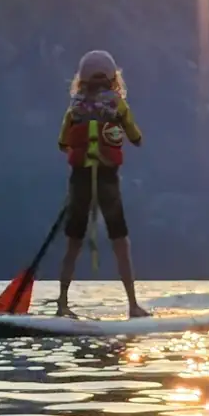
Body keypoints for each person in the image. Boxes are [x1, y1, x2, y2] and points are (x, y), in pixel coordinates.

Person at [54, 49, 149, 319]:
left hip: (80, 180)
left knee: (73, 243)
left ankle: (62, 303)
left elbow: (63, 143)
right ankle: (132, 305)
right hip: (108, 180)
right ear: (112, 78)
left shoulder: (74, 108)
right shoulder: (118, 106)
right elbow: (136, 137)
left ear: (81, 79)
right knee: (120, 241)